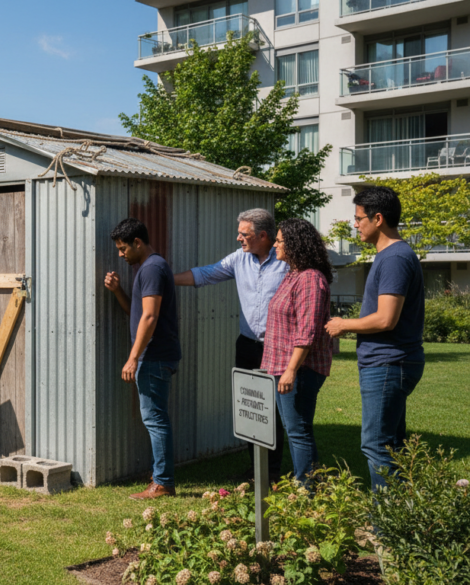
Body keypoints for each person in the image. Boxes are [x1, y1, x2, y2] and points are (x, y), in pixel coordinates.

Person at [173, 208, 289, 483]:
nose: (238, 238)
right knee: (250, 406)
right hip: (248, 345)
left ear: (263, 235)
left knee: (279, 410)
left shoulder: (287, 261)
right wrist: (166, 277)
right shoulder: (240, 259)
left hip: (279, 347)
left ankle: (274, 471)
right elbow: (207, 274)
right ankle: (256, 469)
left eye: (243, 233)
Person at [326, 186, 425, 491]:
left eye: (358, 218)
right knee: (393, 445)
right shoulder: (392, 255)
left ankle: (385, 529)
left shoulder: (395, 258)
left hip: (388, 363)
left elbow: (386, 318)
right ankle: (401, 522)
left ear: (378, 218)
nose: (355, 224)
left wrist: (344, 324)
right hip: (390, 362)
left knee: (377, 446)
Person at [104, 218, 182, 499]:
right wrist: (117, 292)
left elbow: (150, 317)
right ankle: (160, 477)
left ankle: (162, 483)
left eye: (123, 249)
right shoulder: (149, 268)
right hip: (156, 356)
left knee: (155, 420)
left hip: (153, 357)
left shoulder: (151, 268)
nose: (121, 254)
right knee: (156, 418)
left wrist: (132, 357)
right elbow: (137, 314)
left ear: (138, 242)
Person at [262, 219, 334, 485]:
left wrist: (291, 370)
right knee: (295, 429)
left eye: (280, 240)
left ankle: (306, 488)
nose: (275, 244)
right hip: (281, 367)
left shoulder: (310, 279)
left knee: (297, 430)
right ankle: (312, 483)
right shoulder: (292, 274)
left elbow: (307, 331)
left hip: (299, 370)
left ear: (295, 244)